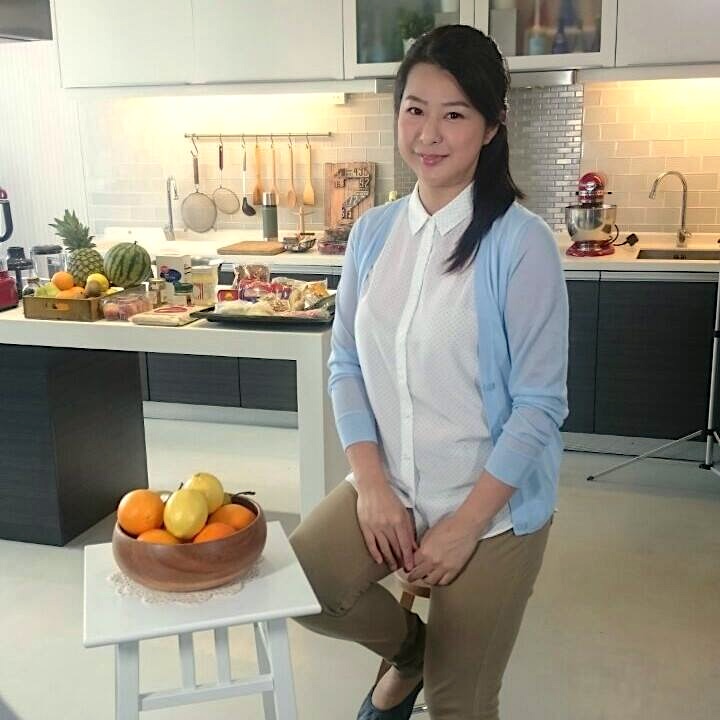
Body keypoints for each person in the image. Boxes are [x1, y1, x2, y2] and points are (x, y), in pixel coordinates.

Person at [290, 24, 568, 720]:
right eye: (415, 109)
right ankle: (412, 652)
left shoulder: (520, 245)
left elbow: (539, 406)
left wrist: (463, 526)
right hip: (396, 485)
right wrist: (374, 487)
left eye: (455, 114)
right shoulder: (373, 232)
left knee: (460, 705)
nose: (430, 134)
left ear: (492, 125)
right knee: (299, 585)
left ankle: (435, 670)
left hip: (492, 509)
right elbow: (346, 360)